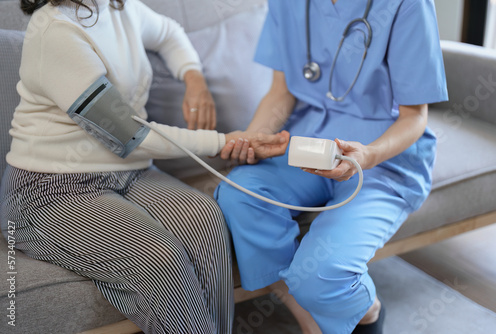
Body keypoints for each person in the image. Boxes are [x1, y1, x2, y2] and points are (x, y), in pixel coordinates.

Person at [0, 0, 289, 333]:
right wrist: (224, 142)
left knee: (205, 219)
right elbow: (130, 134)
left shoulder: (118, 7)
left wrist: (194, 78)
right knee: (159, 257)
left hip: (131, 172)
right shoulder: (55, 32)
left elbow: (169, 32)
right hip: (48, 189)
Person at [215, 0, 448, 333]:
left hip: (381, 157)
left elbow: (415, 117)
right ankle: (309, 323)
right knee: (238, 195)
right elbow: (281, 92)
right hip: (303, 143)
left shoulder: (407, 5)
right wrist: (256, 139)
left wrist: (366, 155)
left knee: (321, 273)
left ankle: (368, 313)